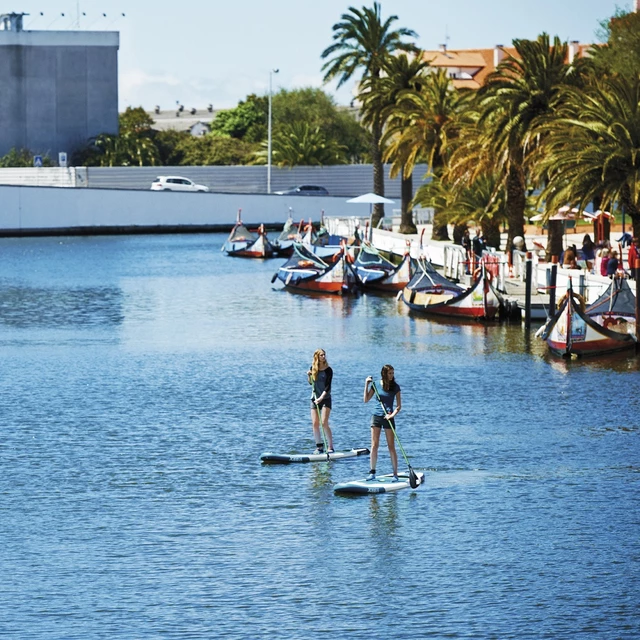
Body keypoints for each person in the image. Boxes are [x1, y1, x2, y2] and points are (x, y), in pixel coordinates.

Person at [363, 364, 401, 482]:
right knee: (374, 445)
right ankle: (372, 472)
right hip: (376, 417)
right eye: (390, 373)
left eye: (393, 373)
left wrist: (391, 415)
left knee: (391, 447)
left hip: (388, 418)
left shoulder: (395, 387)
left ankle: (395, 474)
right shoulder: (376, 385)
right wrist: (367, 384)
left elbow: (399, 406)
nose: (392, 375)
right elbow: (366, 400)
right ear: (384, 374)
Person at [307, 349, 334, 454]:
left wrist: (321, 398)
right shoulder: (313, 368)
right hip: (314, 398)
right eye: (321, 355)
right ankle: (319, 447)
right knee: (315, 423)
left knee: (324, 423)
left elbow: (328, 387)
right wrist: (309, 375)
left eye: (324, 355)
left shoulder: (328, 370)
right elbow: (310, 383)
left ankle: (330, 446)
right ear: (317, 357)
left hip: (325, 398)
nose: (323, 356)